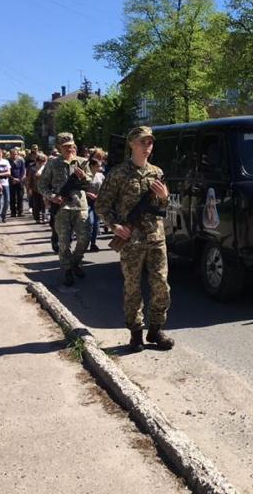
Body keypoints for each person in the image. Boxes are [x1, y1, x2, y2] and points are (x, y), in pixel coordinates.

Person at [95, 126, 174, 353]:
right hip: (131, 241)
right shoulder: (119, 173)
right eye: (142, 142)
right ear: (132, 144)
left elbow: (163, 207)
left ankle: (156, 330)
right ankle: (136, 333)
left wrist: (164, 197)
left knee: (161, 286)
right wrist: (115, 227)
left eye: (150, 142)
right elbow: (101, 206)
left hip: (156, 238)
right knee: (132, 288)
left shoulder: (157, 172)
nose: (147, 147)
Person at [37, 133, 92, 286]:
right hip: (61, 208)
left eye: (72, 145)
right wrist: (52, 196)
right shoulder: (53, 164)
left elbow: (90, 181)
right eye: (66, 146)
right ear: (59, 147)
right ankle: (67, 269)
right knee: (63, 241)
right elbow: (41, 184)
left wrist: (83, 177)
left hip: (80, 205)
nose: (70, 148)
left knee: (84, 238)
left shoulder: (81, 162)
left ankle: (74, 261)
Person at [85, 156, 105, 251]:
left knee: (97, 223)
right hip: (87, 201)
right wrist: (89, 194)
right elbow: (80, 190)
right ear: (91, 166)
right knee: (90, 222)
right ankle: (85, 241)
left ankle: (93, 243)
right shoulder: (86, 176)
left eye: (100, 166)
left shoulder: (101, 176)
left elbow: (105, 188)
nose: (99, 168)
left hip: (98, 201)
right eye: (97, 166)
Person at [25, 153, 47, 223]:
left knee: (44, 204)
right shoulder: (32, 169)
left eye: (42, 161)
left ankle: (44, 217)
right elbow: (29, 180)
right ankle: (37, 218)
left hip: (44, 189)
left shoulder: (46, 169)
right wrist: (29, 189)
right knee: (36, 204)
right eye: (39, 161)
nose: (40, 163)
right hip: (35, 189)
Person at [8, 147, 26, 217]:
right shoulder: (8, 161)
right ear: (10, 154)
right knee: (12, 197)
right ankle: (13, 212)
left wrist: (19, 179)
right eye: (13, 154)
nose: (15, 155)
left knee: (20, 196)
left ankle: (20, 211)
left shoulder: (21, 161)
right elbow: (8, 172)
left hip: (20, 180)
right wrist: (13, 179)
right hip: (11, 181)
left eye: (16, 154)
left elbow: (23, 170)